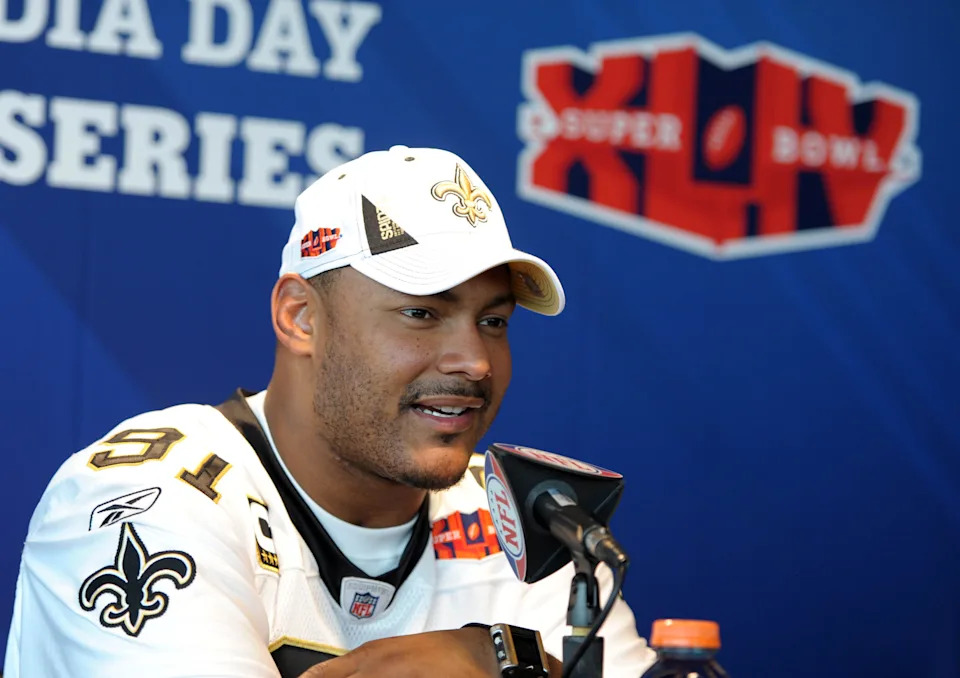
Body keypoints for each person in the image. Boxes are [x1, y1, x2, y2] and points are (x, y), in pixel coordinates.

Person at [3, 145, 655, 677]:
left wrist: (497, 664)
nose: (475, 362)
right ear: (300, 317)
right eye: (422, 313)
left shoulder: (520, 519)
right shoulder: (144, 496)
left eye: (493, 321)